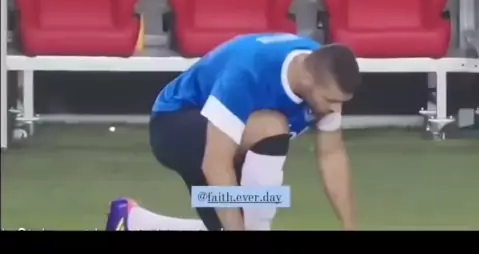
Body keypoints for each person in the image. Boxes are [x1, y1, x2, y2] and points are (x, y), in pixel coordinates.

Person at [106, 32, 361, 231]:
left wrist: (350, 228)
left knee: (240, 218)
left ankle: (132, 220)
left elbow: (332, 155)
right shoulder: (248, 73)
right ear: (307, 80)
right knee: (272, 126)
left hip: (230, 139)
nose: (335, 109)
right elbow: (214, 163)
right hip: (174, 127)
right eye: (330, 100)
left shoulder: (322, 70)